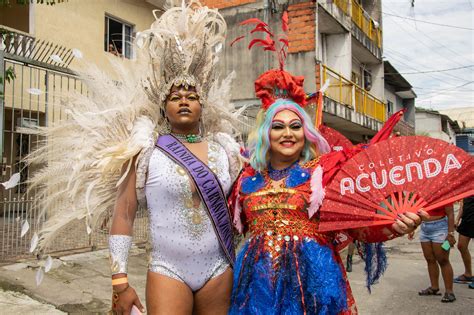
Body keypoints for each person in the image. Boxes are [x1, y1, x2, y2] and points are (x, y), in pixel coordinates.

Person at [25, 2, 242, 314]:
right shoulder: (145, 153)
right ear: (163, 106)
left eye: (192, 97)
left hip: (219, 270)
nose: (184, 101)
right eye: (175, 97)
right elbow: (124, 214)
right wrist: (119, 281)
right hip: (169, 271)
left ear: (202, 105)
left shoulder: (225, 152)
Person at [228, 68, 426, 314]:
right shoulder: (247, 179)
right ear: (266, 134)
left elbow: (357, 222)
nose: (287, 133)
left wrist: (395, 224)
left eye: (296, 126)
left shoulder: (325, 173)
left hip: (314, 281)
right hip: (257, 282)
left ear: (306, 133)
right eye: (278, 127)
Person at [417, 205, 457, 303]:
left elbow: (450, 213)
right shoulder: (420, 192)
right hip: (424, 228)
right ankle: (434, 287)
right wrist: (412, 228)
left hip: (440, 228)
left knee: (443, 260)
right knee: (430, 259)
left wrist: (451, 234)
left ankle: (449, 292)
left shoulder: (441, 190)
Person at [454, 196, 474, 287]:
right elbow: (463, 203)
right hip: (467, 220)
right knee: (461, 246)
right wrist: (458, 218)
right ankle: (468, 274)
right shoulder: (468, 185)